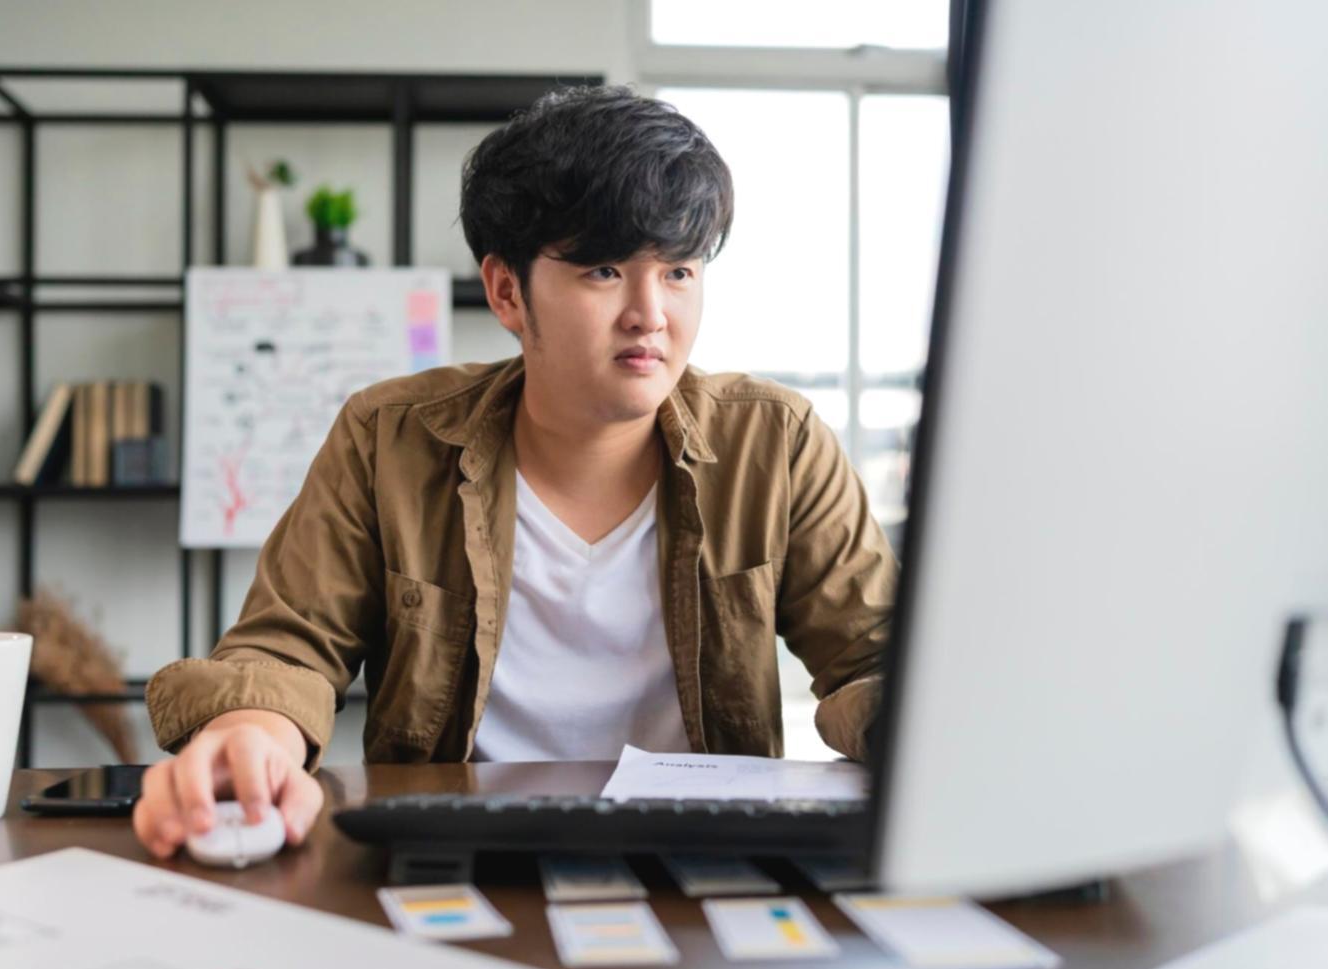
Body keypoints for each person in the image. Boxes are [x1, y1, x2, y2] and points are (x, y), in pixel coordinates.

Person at [133, 84, 898, 859]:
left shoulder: (776, 441)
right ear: (506, 290)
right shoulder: (388, 437)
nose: (649, 313)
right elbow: (286, 650)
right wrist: (250, 738)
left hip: (703, 852)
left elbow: (874, 657)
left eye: (678, 271)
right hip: (458, 852)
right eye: (603, 270)